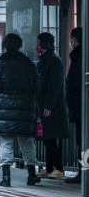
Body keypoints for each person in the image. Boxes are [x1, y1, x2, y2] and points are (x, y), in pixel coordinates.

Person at [0, 33, 42, 187]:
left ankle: (6, 178)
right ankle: (31, 175)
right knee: (27, 143)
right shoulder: (29, 64)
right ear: (20, 45)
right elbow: (36, 87)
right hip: (25, 108)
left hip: (3, 110)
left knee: (5, 143)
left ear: (5, 46)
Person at [35, 32, 69, 179]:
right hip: (44, 106)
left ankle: (59, 168)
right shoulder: (45, 60)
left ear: (44, 43)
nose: (37, 45)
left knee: (51, 138)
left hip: (52, 108)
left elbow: (55, 86)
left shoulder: (54, 61)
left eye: (39, 42)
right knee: (46, 138)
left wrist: (48, 105)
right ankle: (49, 167)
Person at [66, 27, 82, 184]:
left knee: (83, 142)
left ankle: (84, 172)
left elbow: (72, 84)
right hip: (81, 105)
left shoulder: (78, 58)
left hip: (81, 106)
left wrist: (70, 100)